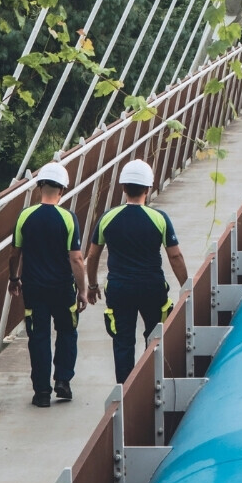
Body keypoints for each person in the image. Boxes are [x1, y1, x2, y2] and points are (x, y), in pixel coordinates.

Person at [86, 159, 189, 383]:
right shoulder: (159, 218)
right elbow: (175, 256)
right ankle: (152, 383)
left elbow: (92, 256)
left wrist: (92, 285)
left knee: (123, 341)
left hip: (119, 289)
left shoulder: (107, 218)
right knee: (155, 337)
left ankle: (124, 392)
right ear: (148, 188)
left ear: (123, 188)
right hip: (152, 287)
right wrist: (186, 287)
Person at [8, 161, 87, 407]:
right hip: (63, 289)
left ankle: (41, 392)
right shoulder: (68, 218)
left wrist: (14, 279)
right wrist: (82, 290)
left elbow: (14, 254)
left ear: (39, 186)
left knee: (38, 337)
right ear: (62, 190)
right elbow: (76, 258)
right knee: (67, 332)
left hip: (34, 288)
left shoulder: (25, 216)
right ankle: (63, 380)